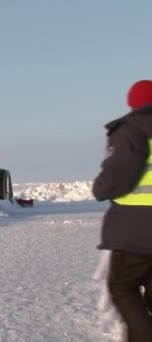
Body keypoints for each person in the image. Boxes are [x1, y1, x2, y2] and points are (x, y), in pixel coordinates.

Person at [93, 80, 152, 341]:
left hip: (137, 233)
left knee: (122, 286)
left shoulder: (132, 130)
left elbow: (117, 177)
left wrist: (100, 188)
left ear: (133, 103)